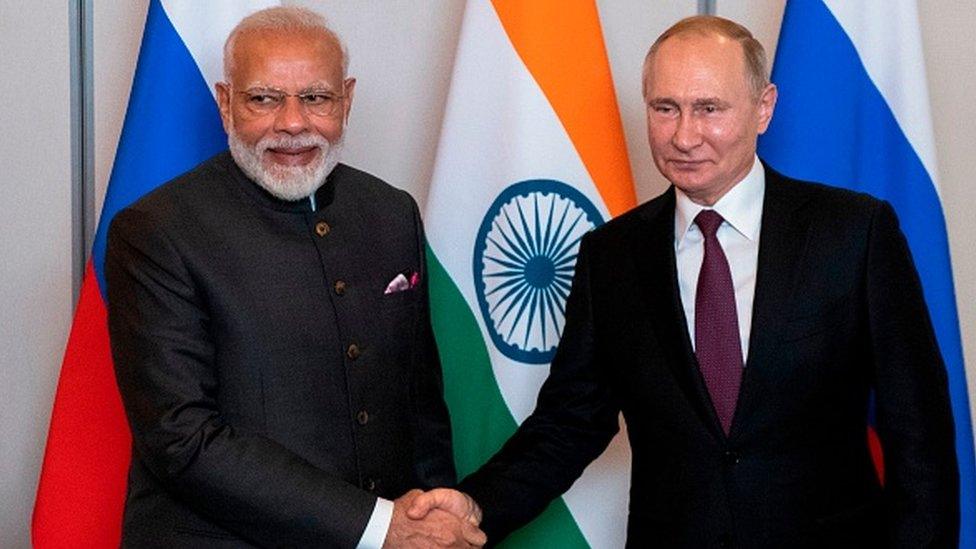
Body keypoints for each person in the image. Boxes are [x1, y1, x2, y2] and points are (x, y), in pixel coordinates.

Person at [409, 15, 959, 548]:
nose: (684, 135)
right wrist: (478, 504)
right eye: (664, 108)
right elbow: (570, 422)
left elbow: (920, 439)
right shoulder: (611, 255)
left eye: (709, 109)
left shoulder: (854, 234)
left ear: (763, 108)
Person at [106, 7, 484, 548]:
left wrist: (432, 509)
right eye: (263, 98)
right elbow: (183, 438)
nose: (292, 123)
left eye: (316, 98)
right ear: (226, 102)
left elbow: (418, 398)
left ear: (346, 101)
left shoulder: (390, 211)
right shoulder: (157, 230)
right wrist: (381, 528)